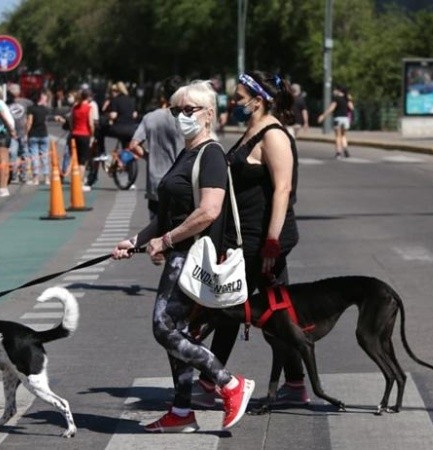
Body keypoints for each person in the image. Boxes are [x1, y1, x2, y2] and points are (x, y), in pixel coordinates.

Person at [111, 80, 255, 433]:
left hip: (193, 256)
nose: (180, 117)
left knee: (164, 328)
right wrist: (136, 240)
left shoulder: (211, 156)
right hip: (179, 254)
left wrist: (166, 240)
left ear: (208, 115)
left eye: (188, 110)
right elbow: (165, 215)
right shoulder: (186, 153)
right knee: (178, 331)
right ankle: (181, 410)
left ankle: (230, 382)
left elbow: (209, 211)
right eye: (176, 110)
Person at [201, 71, 304, 407]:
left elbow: (283, 189)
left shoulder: (273, 135)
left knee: (233, 308)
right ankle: (294, 382)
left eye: (240, 96)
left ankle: (210, 380)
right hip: (245, 238)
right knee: (273, 312)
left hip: (261, 242)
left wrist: (272, 242)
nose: (235, 101)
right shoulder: (253, 130)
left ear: (258, 101)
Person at [128, 75, 185, 219]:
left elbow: (134, 145)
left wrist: (149, 157)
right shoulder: (188, 119)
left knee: (156, 230)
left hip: (156, 184)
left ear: (163, 95)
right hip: (181, 183)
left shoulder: (150, 117)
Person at [6, 83, 33, 184]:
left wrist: (27, 131)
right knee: (12, 154)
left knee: (24, 154)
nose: (12, 95)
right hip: (12, 134)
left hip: (23, 133)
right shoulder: (7, 103)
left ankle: (24, 175)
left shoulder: (26, 102)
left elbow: (30, 118)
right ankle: (13, 175)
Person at [317, 84, 353, 158]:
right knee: (343, 135)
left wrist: (323, 116)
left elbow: (331, 109)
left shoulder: (336, 99)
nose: (333, 91)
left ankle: (338, 152)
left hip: (338, 119)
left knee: (337, 136)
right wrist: (349, 100)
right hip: (346, 119)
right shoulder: (347, 98)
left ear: (338, 90)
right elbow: (352, 108)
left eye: (335, 90)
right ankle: (345, 149)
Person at [26, 89, 52, 185]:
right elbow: (46, 121)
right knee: (44, 156)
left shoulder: (31, 108)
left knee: (34, 156)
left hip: (33, 134)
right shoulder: (45, 109)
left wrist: (26, 133)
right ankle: (46, 178)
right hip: (44, 134)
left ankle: (35, 178)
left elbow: (29, 122)